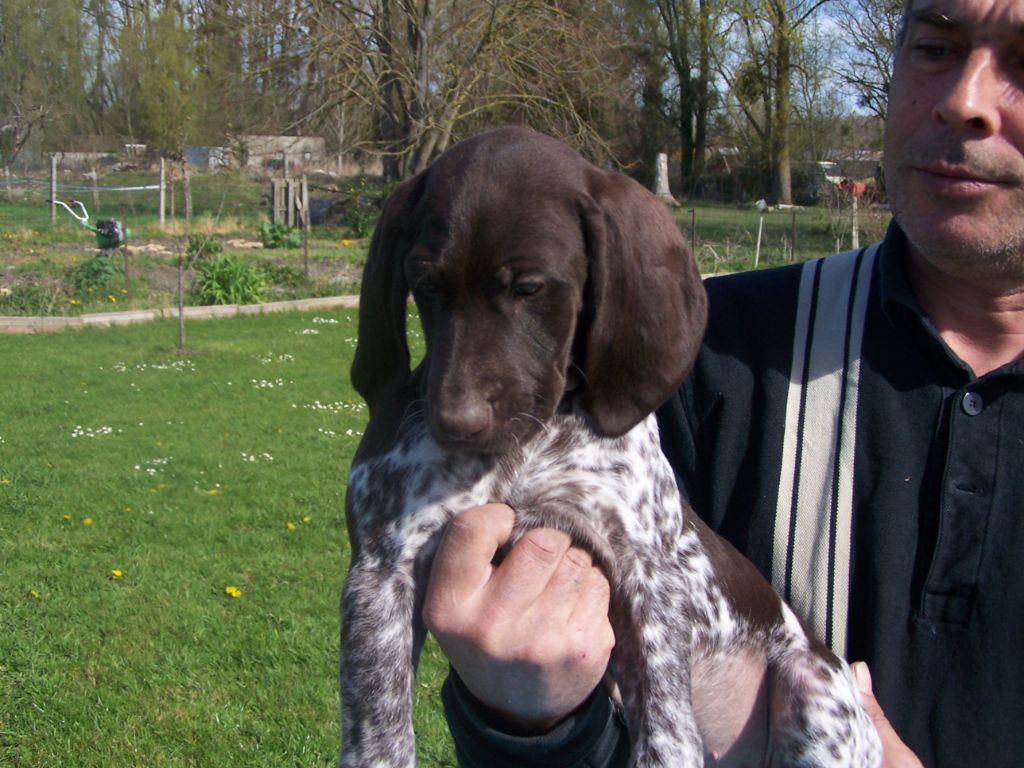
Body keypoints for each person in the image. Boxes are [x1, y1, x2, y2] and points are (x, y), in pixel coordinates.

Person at [421, 0, 1024, 764]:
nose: (964, 100)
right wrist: (533, 725)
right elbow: (571, 678)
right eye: (936, 46)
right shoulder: (672, 360)